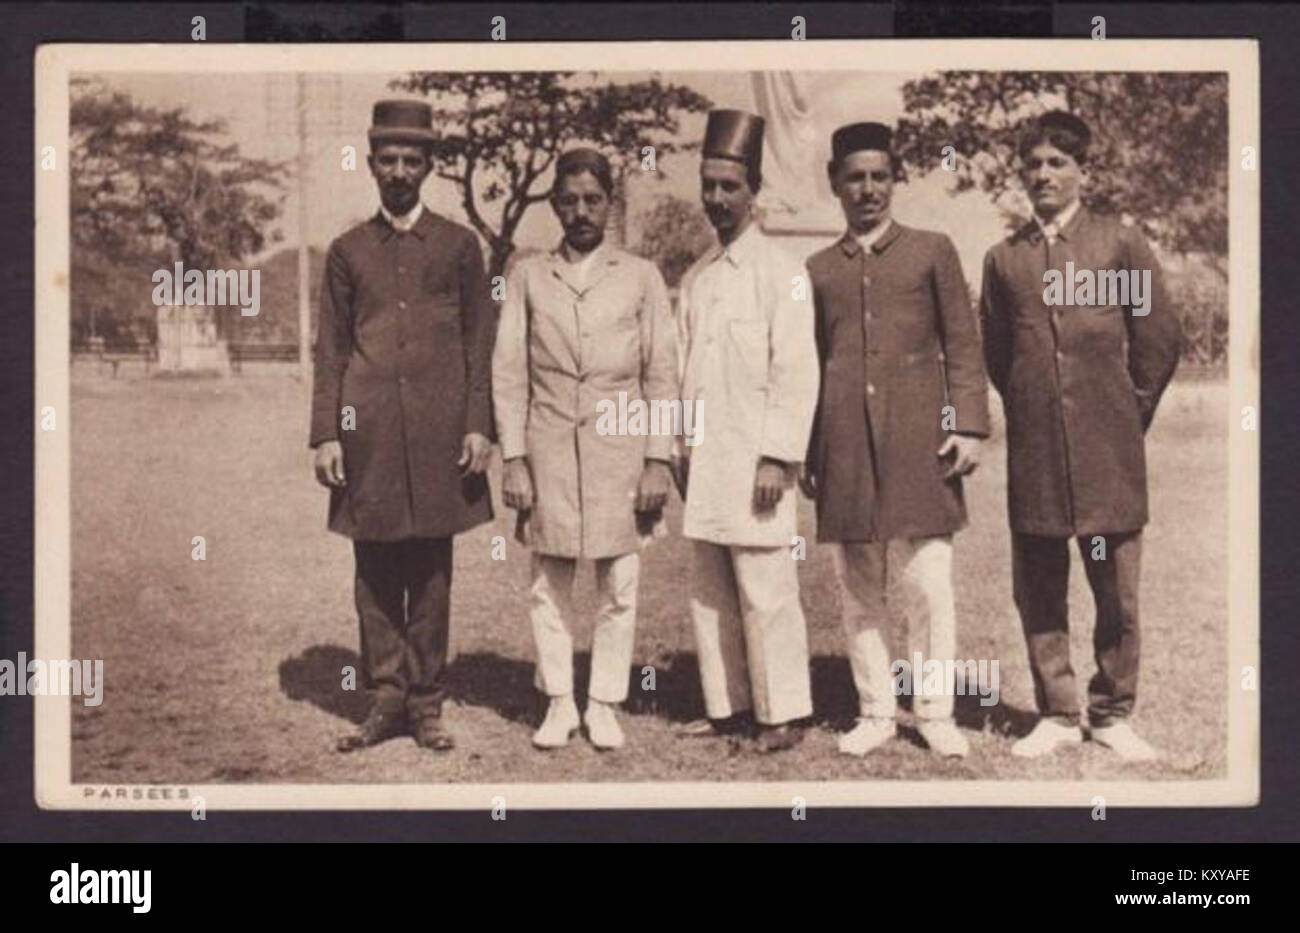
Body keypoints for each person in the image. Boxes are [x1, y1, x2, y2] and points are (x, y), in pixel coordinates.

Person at [979, 110, 1182, 760]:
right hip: (1036, 449)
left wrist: (1128, 412)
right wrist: (1037, 408)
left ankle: (1113, 710)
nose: (1043, 174)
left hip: (1109, 450)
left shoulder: (1118, 245)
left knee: (1115, 587)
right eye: (1033, 164)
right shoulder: (1004, 259)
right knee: (1037, 581)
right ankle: (1060, 712)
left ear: (1082, 172)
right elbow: (998, 353)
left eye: (1057, 163)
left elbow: (1157, 340)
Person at [310, 100, 496, 754]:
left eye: (410, 160)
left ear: (429, 166)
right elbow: (330, 347)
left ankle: (427, 705)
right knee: (375, 569)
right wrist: (327, 432)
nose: (398, 171)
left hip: (442, 434)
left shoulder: (458, 245)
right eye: (386, 159)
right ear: (370, 165)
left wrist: (479, 424)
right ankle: (385, 699)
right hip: (369, 436)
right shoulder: (347, 250)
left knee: (433, 571)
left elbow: (480, 342)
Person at [803, 122, 991, 759]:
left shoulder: (932, 249)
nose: (867, 189)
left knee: (927, 582)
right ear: (834, 182)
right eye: (854, 177)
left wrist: (966, 423)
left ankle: (935, 711)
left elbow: (964, 344)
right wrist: (809, 453)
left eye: (879, 176)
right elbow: (809, 364)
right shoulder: (819, 268)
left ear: (895, 180)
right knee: (859, 584)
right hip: (845, 448)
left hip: (921, 445)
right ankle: (876, 709)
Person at [493, 148, 678, 750]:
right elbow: (509, 374)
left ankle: (602, 702)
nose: (580, 211)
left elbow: (661, 376)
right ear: (554, 205)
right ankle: (557, 702)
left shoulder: (641, 276)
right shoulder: (526, 274)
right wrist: (515, 458)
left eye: (592, 199)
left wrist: (657, 459)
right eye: (568, 199)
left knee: (618, 583)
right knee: (548, 582)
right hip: (547, 451)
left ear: (609, 205)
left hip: (621, 451)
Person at [675, 109, 820, 753]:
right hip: (704, 462)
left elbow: (796, 371)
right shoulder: (697, 277)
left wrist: (777, 457)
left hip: (756, 462)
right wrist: (678, 449)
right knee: (710, 591)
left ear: (753, 190)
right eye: (708, 185)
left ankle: (782, 713)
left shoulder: (782, 272)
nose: (716, 199)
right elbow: (682, 373)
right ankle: (727, 707)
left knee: (766, 588)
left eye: (729, 187)